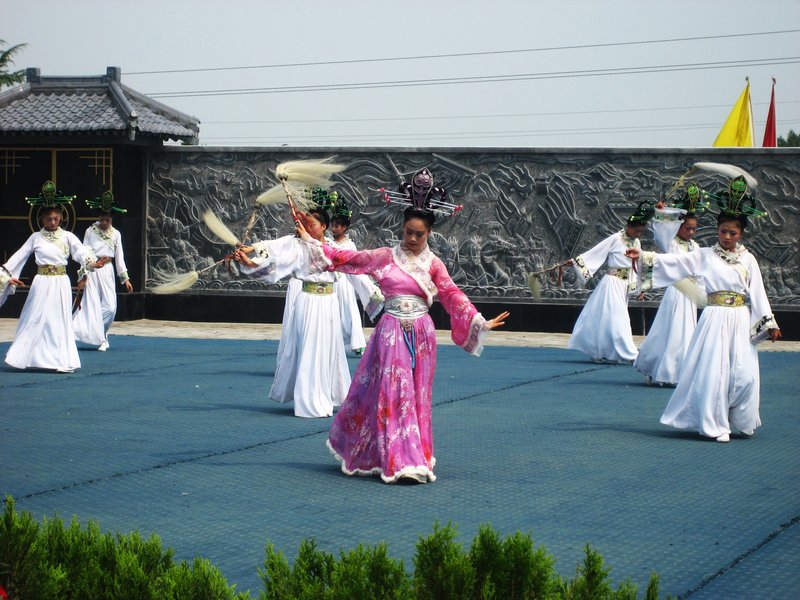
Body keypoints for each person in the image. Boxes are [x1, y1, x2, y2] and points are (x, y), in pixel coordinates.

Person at [299, 168, 510, 484]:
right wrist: (311, 242)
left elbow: (452, 294)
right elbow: (349, 259)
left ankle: (415, 455)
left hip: (422, 335)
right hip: (391, 332)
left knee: (418, 396)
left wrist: (479, 321)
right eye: (407, 231)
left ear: (429, 233)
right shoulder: (385, 256)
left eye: (418, 234)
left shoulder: (433, 264)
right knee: (394, 394)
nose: (411, 238)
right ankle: (400, 460)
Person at [627, 175, 780, 442]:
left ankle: (740, 420)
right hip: (714, 318)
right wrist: (644, 257)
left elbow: (758, 293)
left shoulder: (749, 259)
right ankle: (714, 423)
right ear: (717, 231)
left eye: (733, 233)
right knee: (714, 373)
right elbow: (676, 263)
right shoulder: (705, 254)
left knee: (744, 376)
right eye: (723, 232)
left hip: (741, 320)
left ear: (741, 233)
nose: (727, 237)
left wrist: (770, 323)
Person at [233, 197, 350, 418]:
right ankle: (309, 401)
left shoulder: (333, 247)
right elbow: (278, 262)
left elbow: (331, 261)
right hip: (308, 301)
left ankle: (329, 396)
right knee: (309, 349)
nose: (307, 229)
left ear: (323, 226)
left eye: (312, 224)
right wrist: (250, 263)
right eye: (305, 225)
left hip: (330, 303)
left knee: (328, 350)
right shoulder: (299, 247)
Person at [1, 182, 103, 373]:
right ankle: (30, 357)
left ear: (61, 218)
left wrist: (91, 261)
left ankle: (59, 360)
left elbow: (80, 251)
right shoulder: (35, 238)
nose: (53, 222)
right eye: (49, 219)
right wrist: (7, 276)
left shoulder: (68, 237)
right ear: (42, 220)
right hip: (41, 282)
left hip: (61, 282)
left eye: (56, 219)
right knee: (35, 317)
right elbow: (19, 255)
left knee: (58, 320)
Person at [634, 184, 706, 386]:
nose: (691, 232)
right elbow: (661, 231)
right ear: (678, 226)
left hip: (690, 294)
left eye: (694, 229)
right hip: (676, 292)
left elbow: (700, 270)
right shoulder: (671, 243)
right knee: (673, 331)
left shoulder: (695, 246)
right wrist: (661, 211)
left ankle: (680, 372)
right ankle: (665, 371)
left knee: (686, 333)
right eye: (687, 228)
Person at [567, 200, 654, 364]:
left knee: (607, 319)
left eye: (641, 231)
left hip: (625, 285)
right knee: (617, 318)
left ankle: (603, 352)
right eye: (636, 230)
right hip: (612, 283)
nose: (638, 234)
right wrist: (577, 263)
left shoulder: (636, 242)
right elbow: (597, 252)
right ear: (629, 226)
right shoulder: (616, 238)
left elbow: (639, 264)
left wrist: (641, 287)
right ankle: (628, 353)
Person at [72, 191, 134, 352]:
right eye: (102, 219)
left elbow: (119, 258)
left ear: (112, 219)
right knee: (90, 304)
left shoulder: (116, 234)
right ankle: (101, 338)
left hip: (107, 270)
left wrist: (125, 278)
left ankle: (101, 332)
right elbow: (83, 253)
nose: (104, 222)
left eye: (107, 220)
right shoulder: (90, 231)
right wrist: (83, 274)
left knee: (110, 307)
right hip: (93, 269)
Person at [326, 192, 383, 356]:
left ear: (344, 227)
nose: (334, 228)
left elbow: (355, 267)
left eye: (337, 225)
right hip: (332, 282)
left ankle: (357, 342)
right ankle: (333, 343)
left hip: (345, 282)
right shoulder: (329, 243)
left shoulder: (349, 245)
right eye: (333, 225)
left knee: (349, 312)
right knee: (333, 313)